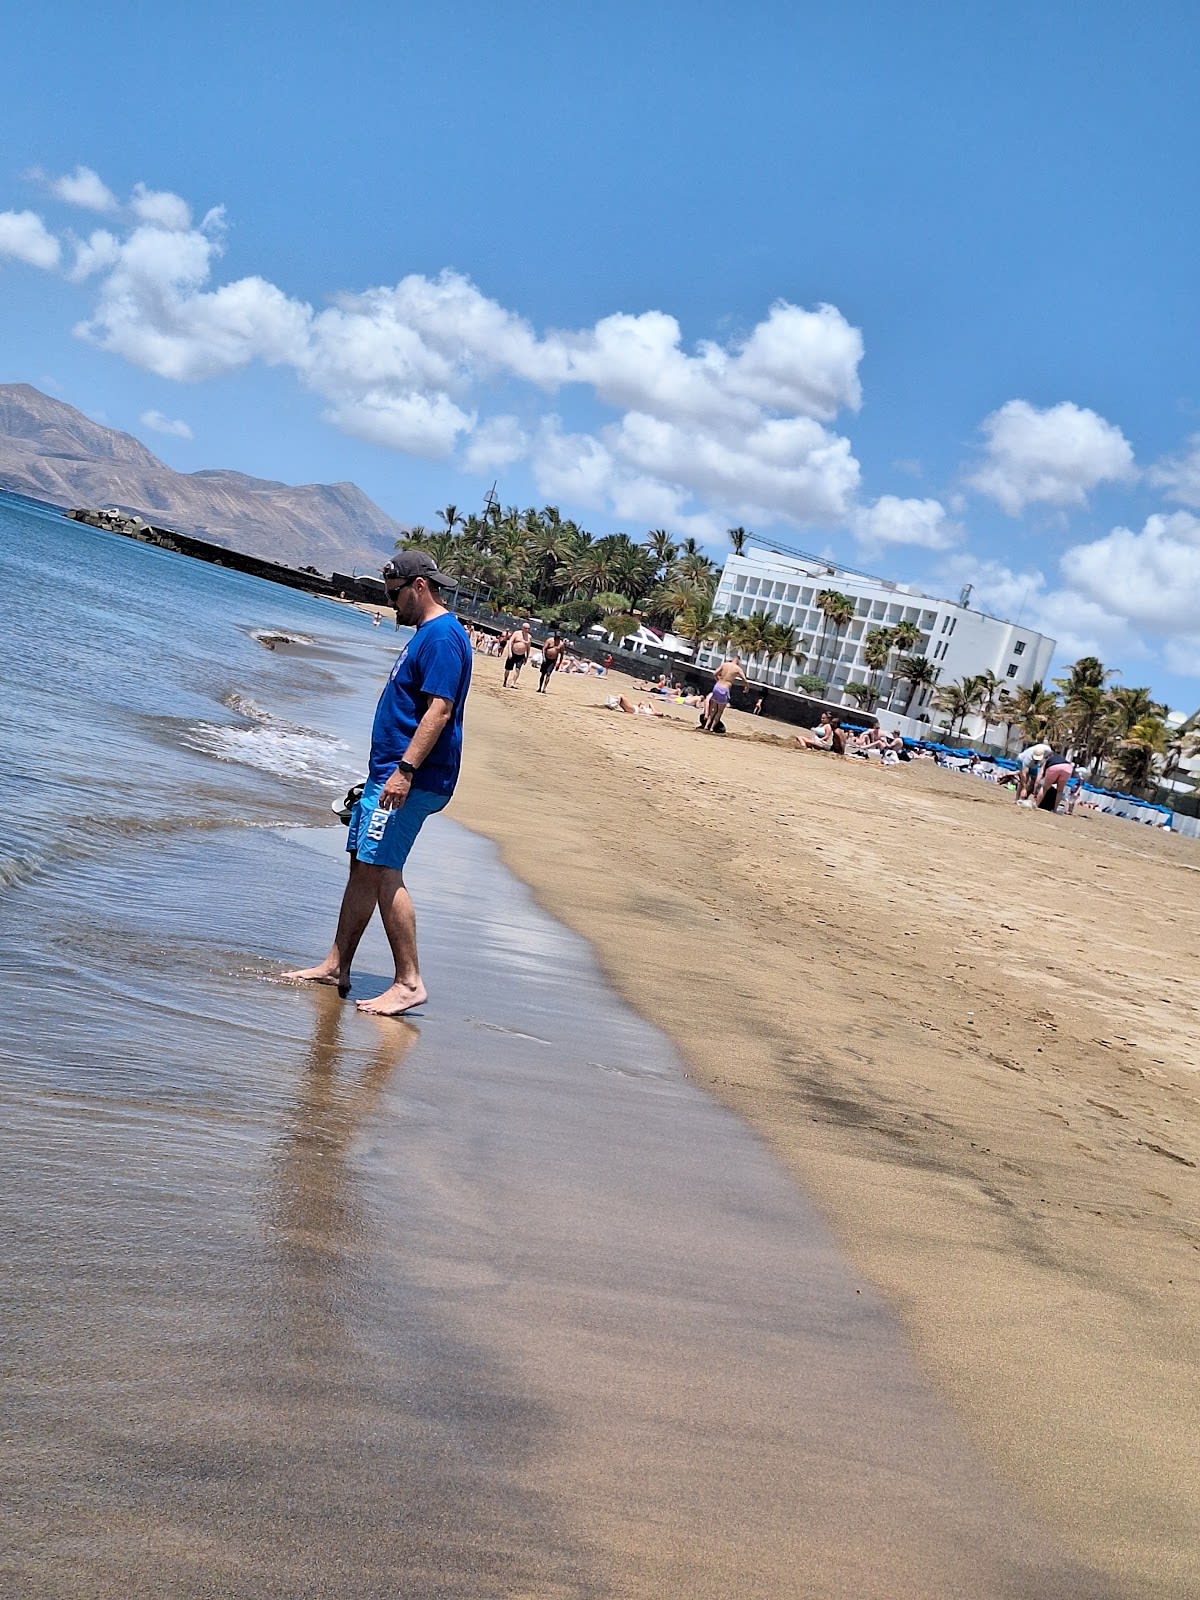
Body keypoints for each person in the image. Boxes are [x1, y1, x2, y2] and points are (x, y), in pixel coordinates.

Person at [284, 551, 472, 1016]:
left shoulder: (444, 637)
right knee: (363, 866)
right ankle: (336, 965)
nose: (391, 606)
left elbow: (440, 710)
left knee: (385, 868)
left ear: (418, 586)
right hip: (388, 774)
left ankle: (409, 982)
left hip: (411, 777)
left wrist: (404, 772)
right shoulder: (426, 635)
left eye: (394, 595)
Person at [703, 656, 749, 732]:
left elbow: (715, 673)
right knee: (719, 711)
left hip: (717, 687)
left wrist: (718, 680)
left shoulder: (724, 664)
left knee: (713, 710)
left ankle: (706, 726)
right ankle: (711, 728)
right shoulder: (737, 669)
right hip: (725, 689)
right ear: (738, 662)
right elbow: (744, 679)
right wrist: (746, 687)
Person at [503, 623, 532, 687]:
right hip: (513, 653)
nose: (527, 630)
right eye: (526, 628)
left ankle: (513, 683)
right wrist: (509, 652)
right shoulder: (516, 633)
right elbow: (510, 642)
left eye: (528, 628)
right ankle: (505, 681)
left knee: (518, 669)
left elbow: (528, 647)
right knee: (508, 669)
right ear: (522, 628)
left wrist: (527, 657)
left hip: (521, 655)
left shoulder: (529, 637)